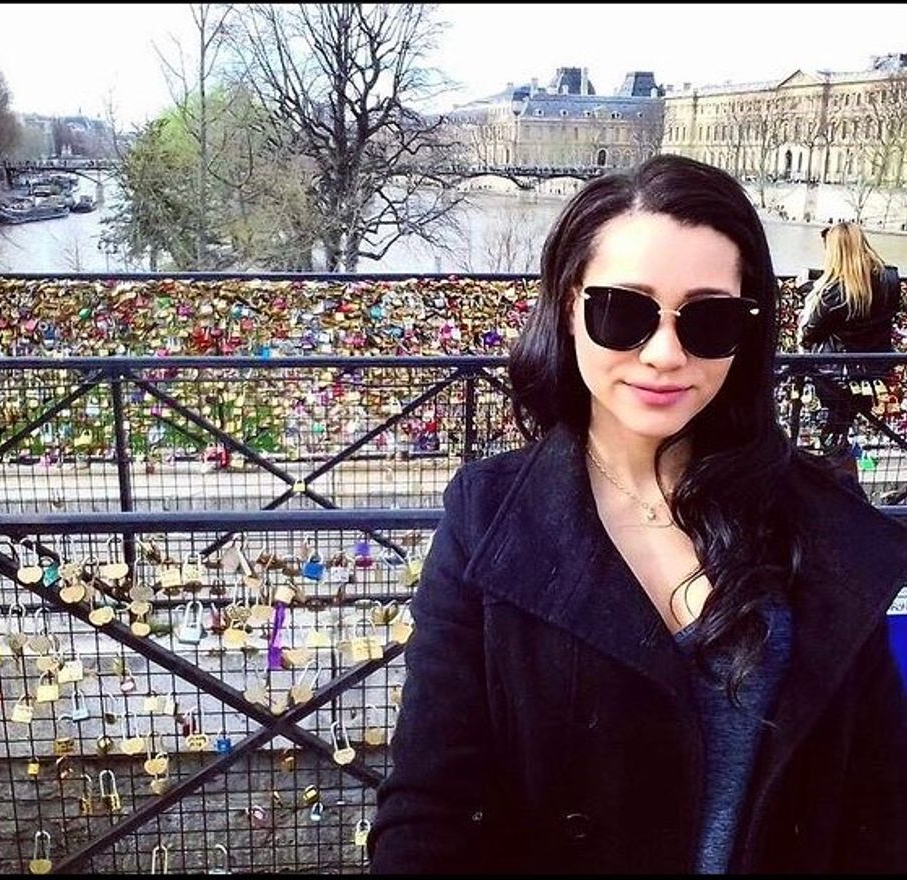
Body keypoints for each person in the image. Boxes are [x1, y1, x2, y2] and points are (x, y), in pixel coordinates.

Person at [369, 155, 907, 873]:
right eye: (623, 311)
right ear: (566, 305)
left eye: (710, 320)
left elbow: (879, 801)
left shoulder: (820, 517)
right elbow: (431, 807)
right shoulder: (488, 515)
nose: (664, 354)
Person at [797, 222, 901, 471]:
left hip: (835, 377)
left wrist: (808, 291)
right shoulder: (890, 278)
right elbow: (862, 304)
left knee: (832, 438)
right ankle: (843, 482)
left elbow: (809, 334)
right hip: (873, 373)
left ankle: (839, 488)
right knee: (840, 431)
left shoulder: (834, 294)